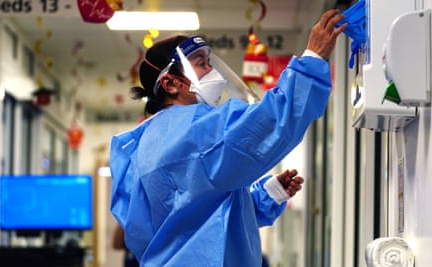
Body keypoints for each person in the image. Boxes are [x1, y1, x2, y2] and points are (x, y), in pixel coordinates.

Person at [110, 9, 347, 267]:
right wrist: (312, 59)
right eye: (201, 63)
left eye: (209, 61)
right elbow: (270, 122)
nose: (212, 70)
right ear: (170, 84)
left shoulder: (145, 144)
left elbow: (200, 218)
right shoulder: (193, 131)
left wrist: (268, 194)